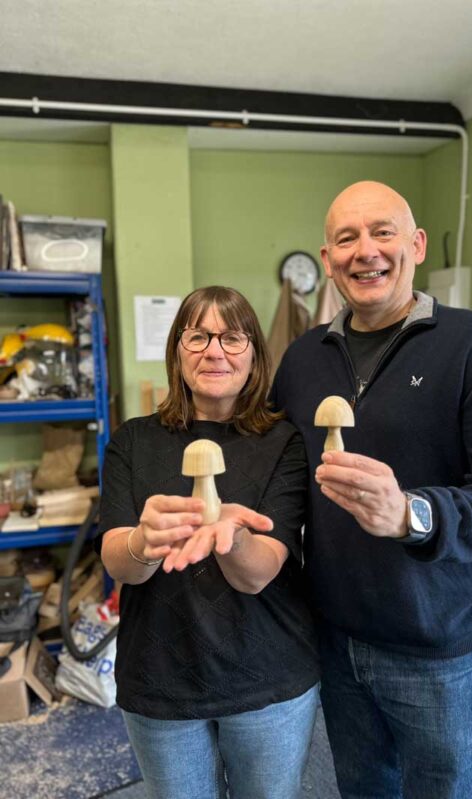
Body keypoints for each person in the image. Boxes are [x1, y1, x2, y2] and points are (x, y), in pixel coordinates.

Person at [271, 181, 472, 799]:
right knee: (362, 790)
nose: (366, 251)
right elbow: (277, 473)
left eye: (382, 231)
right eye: (346, 238)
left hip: (437, 651)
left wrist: (412, 514)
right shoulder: (303, 358)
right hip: (335, 639)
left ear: (415, 245)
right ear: (329, 258)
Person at [97, 286, 320, 799]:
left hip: (268, 679)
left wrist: (231, 539)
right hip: (159, 680)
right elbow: (120, 564)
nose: (214, 350)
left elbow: (258, 572)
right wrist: (144, 541)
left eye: (232, 337)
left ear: (254, 355)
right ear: (178, 349)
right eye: (198, 336)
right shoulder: (132, 440)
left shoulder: (284, 441)